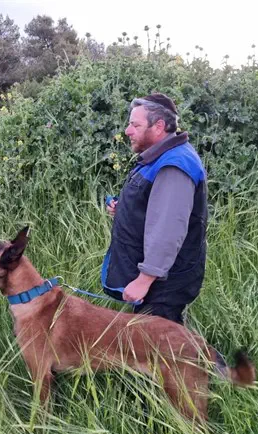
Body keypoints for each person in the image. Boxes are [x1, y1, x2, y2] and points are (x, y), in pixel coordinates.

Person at [103, 93, 208, 325]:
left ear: (159, 126)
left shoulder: (174, 165)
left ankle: (205, 354)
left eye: (135, 125)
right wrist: (125, 209)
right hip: (158, 280)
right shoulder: (160, 156)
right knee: (159, 342)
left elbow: (168, 229)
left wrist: (145, 279)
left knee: (159, 344)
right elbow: (153, 205)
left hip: (164, 285)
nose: (127, 131)